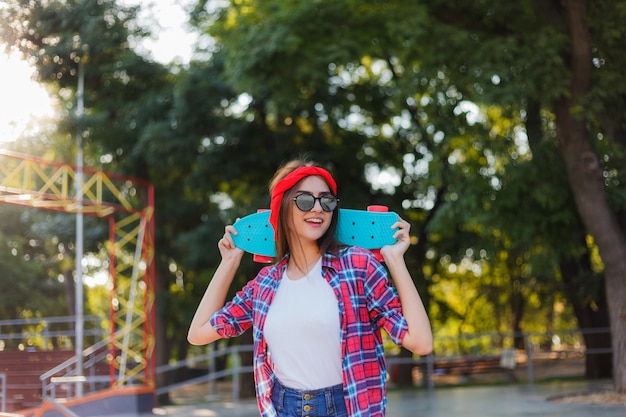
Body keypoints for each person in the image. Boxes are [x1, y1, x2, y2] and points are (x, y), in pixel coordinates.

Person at [188, 159, 433, 417]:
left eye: (326, 201)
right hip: (284, 408)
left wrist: (395, 260)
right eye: (305, 200)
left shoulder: (358, 266)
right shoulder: (265, 284)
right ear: (282, 208)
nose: (317, 208)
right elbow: (199, 333)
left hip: (346, 408)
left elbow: (420, 342)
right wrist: (228, 263)